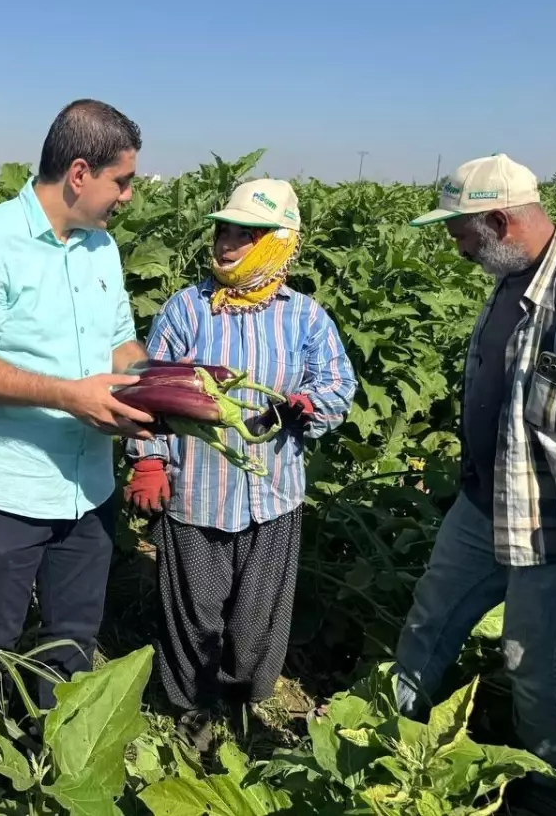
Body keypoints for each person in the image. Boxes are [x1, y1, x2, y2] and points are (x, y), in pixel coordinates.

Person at [397, 153, 556, 816]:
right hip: (482, 506)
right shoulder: (512, 274)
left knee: (535, 672)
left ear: (499, 221)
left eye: (461, 234)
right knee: (428, 623)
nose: (456, 248)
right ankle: (383, 746)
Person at [0, 99, 155, 710]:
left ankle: (52, 767)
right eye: (123, 181)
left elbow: (119, 342)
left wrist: (156, 383)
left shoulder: (99, 248)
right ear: (79, 173)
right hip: (9, 491)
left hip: (88, 488)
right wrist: (67, 396)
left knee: (73, 642)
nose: (128, 196)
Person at [124, 179, 356, 748]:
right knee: (194, 611)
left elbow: (337, 382)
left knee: (258, 622)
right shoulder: (187, 310)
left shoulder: (304, 317)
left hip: (273, 495)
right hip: (196, 491)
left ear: (279, 242)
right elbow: (150, 391)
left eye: (245, 234)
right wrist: (149, 460)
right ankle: (190, 709)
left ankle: (244, 704)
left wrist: (312, 405)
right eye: (224, 230)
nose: (227, 243)